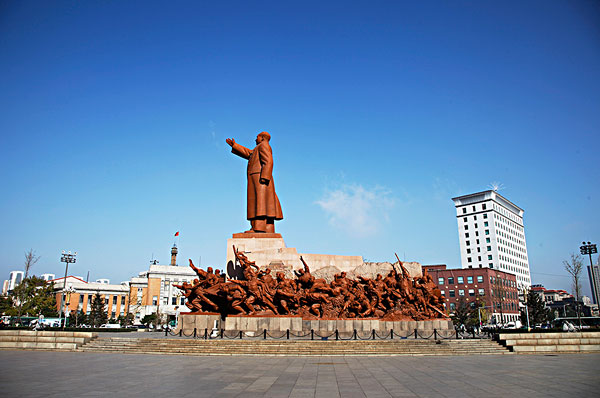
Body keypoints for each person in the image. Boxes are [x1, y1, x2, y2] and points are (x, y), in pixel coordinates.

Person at [226, 132, 283, 233]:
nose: (255, 139)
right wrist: (235, 146)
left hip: (259, 178)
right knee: (264, 203)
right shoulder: (258, 148)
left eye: (257, 137)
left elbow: (268, 161)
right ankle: (268, 229)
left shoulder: (263, 146)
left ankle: (258, 228)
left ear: (262, 138)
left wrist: (264, 177)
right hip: (258, 177)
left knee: (259, 202)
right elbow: (249, 153)